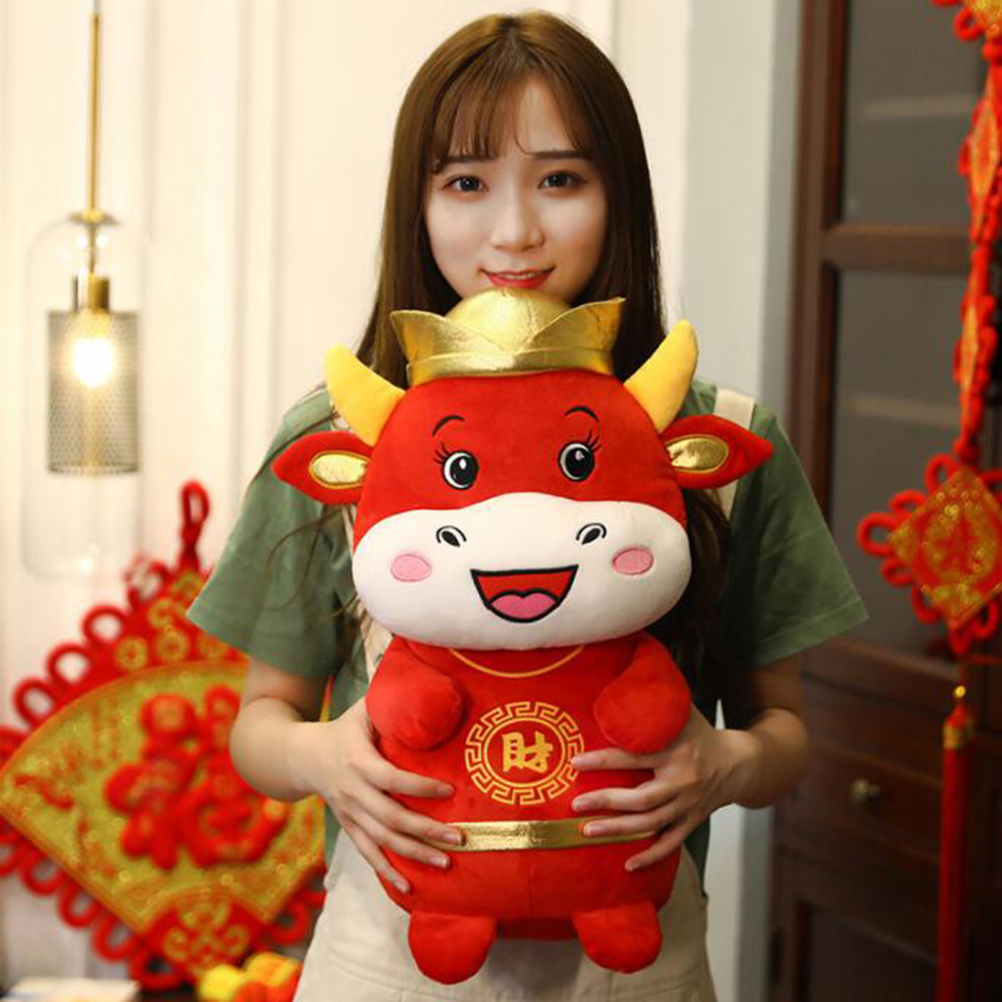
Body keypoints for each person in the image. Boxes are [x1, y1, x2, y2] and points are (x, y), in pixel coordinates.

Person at [188, 12, 866, 1001]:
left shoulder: (722, 440)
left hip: (637, 962)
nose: (514, 231)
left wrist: (725, 761)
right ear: (417, 205)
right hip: (392, 962)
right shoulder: (338, 440)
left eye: (561, 179)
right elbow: (260, 723)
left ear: (618, 196)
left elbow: (785, 734)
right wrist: (321, 755)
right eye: (467, 183)